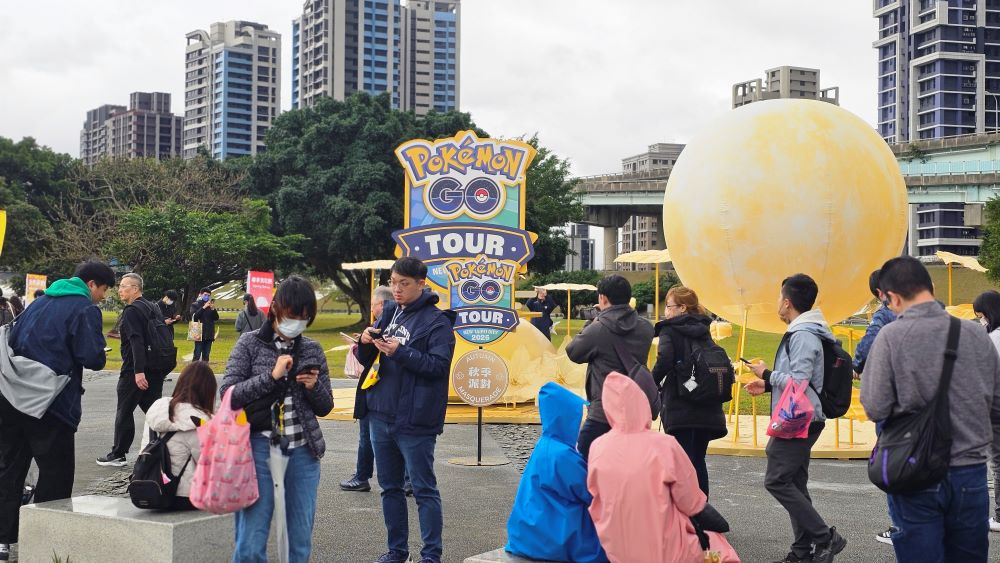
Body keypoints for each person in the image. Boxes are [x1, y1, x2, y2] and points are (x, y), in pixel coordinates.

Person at [863, 258, 1000, 561]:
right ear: (932, 288)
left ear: (892, 298)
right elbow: (996, 403)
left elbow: (874, 405)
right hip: (971, 472)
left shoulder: (891, 337)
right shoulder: (977, 334)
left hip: (915, 469)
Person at [0, 261, 112, 561]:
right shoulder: (84, 308)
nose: (102, 296)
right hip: (52, 403)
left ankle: (2, 540)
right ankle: (46, 538)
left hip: (13, 397)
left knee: (9, 468)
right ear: (92, 284)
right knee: (56, 472)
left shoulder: (40, 301)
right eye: (103, 290)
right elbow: (92, 357)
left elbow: (14, 340)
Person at [221, 275, 333, 563]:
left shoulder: (312, 349)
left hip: (302, 453)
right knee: (251, 538)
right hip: (257, 448)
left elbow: (325, 406)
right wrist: (271, 377)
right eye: (292, 316)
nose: (296, 324)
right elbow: (228, 395)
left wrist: (313, 386)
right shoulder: (249, 344)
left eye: (304, 319)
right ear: (274, 308)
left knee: (299, 537)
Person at [355, 257, 457, 563]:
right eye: (393, 282)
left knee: (424, 490)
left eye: (404, 283)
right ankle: (397, 552)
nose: (396, 289)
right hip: (380, 413)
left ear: (421, 284)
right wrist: (365, 342)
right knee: (389, 489)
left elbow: (438, 367)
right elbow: (368, 360)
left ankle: (431, 556)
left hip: (416, 418)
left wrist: (401, 351)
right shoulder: (389, 313)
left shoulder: (437, 322)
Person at [744, 274, 846, 563]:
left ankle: (825, 537)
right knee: (795, 484)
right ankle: (801, 553)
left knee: (776, 480)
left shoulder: (802, 335)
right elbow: (803, 380)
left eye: (779, 298)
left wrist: (765, 374)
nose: (778, 303)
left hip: (800, 418)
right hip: (805, 415)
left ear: (787, 302)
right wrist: (767, 386)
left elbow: (799, 382)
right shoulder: (808, 330)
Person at [587, 373, 739, 563]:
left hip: (616, 548)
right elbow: (690, 501)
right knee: (719, 550)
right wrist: (712, 521)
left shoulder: (598, 447)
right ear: (643, 404)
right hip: (666, 550)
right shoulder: (664, 445)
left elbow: (595, 495)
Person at [505, 382, 607, 563]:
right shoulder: (563, 455)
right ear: (566, 417)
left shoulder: (544, 446)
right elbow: (592, 493)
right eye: (576, 416)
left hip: (527, 535)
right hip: (552, 539)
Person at [566, 274, 654, 461]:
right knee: (625, 465)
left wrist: (593, 320)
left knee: (584, 460)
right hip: (635, 408)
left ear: (603, 298)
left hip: (604, 410)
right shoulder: (646, 327)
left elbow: (573, 352)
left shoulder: (599, 328)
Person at [652, 286, 727, 497]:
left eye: (668, 306)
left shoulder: (669, 329)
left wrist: (650, 382)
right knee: (697, 460)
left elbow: (664, 361)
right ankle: (702, 512)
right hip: (708, 404)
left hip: (681, 403)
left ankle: (685, 515)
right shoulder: (704, 329)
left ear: (682, 308)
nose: (665, 311)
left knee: (681, 462)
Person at [849, 270, 898, 546]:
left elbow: (867, 345)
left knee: (893, 463)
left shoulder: (885, 313)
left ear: (879, 292)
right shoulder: (932, 312)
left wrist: (856, 366)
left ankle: (899, 525)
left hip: (893, 399)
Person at [98, 273, 167, 467]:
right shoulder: (152, 307)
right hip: (155, 367)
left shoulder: (131, 310)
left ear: (135, 289)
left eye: (124, 286)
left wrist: (138, 372)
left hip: (134, 370)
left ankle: (118, 454)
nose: (120, 290)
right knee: (154, 411)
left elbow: (137, 341)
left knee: (124, 411)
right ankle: (164, 445)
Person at [140, 361, 216, 510]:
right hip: (183, 495)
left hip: (150, 487)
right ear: (207, 391)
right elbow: (208, 463)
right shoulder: (199, 421)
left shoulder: (158, 411)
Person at [341, 285, 394, 493]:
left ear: (381, 305)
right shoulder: (398, 323)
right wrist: (361, 342)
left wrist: (358, 346)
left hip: (375, 387)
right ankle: (406, 481)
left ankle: (363, 476)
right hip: (383, 388)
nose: (372, 309)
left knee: (368, 435)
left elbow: (368, 357)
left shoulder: (382, 326)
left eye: (373, 305)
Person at [972, 289, 1000, 534]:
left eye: (982, 316)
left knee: (998, 464)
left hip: (995, 410)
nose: (982, 321)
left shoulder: (993, 339)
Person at [190, 288, 219, 362]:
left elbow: (216, 318)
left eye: (208, 295)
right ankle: (194, 371)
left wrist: (213, 309)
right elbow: (195, 316)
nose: (207, 297)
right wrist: (203, 307)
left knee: (206, 355)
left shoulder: (210, 305)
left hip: (209, 333)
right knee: (197, 354)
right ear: (201, 294)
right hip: (199, 333)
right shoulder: (195, 304)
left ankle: (205, 371)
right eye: (205, 295)